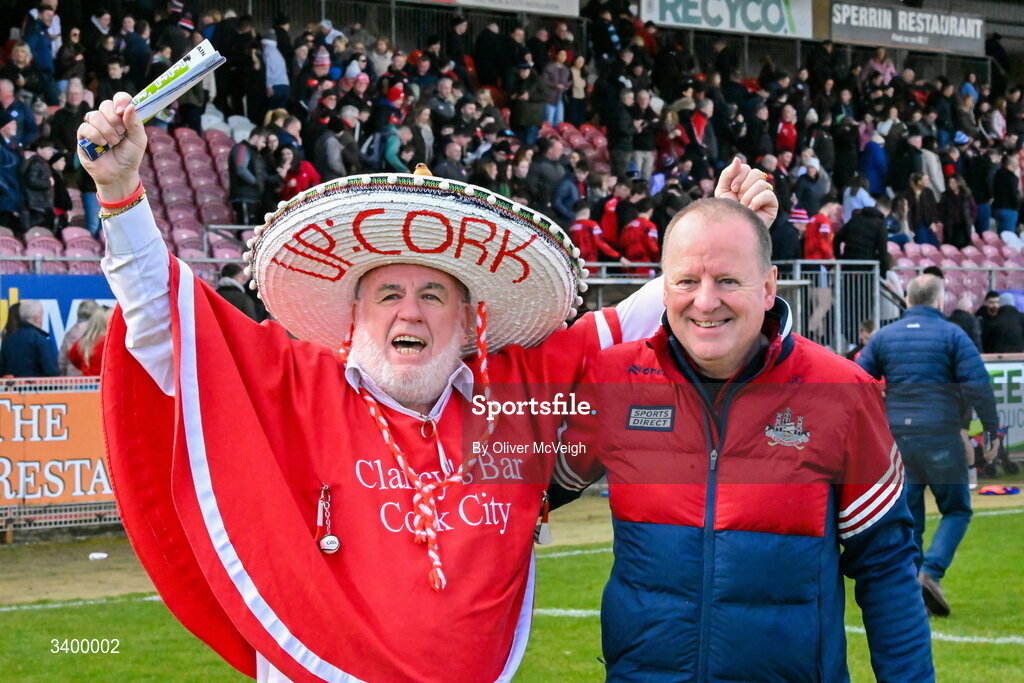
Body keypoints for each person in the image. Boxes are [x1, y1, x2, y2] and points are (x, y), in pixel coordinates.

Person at [79, 92, 777, 681]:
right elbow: (166, 324)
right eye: (388, 292)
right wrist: (121, 194)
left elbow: (637, 318)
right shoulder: (294, 381)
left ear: (470, 320)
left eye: (431, 294)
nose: (409, 311)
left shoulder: (513, 396)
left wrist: (721, 238)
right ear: (355, 315)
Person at [554, 169, 933, 680]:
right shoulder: (613, 379)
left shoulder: (841, 392)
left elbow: (886, 568)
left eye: (728, 280)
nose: (705, 301)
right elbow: (535, 488)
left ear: (768, 285)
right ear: (664, 290)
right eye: (687, 281)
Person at [858, 275, 1000, 617]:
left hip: (896, 440)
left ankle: (910, 587)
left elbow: (858, 381)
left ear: (906, 302)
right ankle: (930, 573)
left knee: (909, 516)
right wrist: (991, 430)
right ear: (940, 302)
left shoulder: (884, 337)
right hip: (940, 434)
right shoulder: (953, 334)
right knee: (957, 509)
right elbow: (978, 383)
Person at [0, 299, 59, 377]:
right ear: (37, 317)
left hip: (13, 388)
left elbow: (2, 369)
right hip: (38, 387)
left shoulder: (9, 340)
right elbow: (52, 371)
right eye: (42, 314)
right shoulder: (40, 340)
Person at [228, 127, 269, 224]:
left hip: (253, 196)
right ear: (256, 137)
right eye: (263, 141)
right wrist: (256, 182)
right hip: (244, 195)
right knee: (246, 227)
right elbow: (241, 169)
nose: (263, 145)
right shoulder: (242, 148)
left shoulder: (254, 152)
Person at [68, 306, 112, 376]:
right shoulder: (110, 343)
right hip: (105, 383)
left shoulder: (83, 342)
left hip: (88, 384)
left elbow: (72, 356)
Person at [59, 299, 99, 376]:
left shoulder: (69, 333)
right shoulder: (97, 333)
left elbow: (61, 362)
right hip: (93, 382)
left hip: (72, 382)